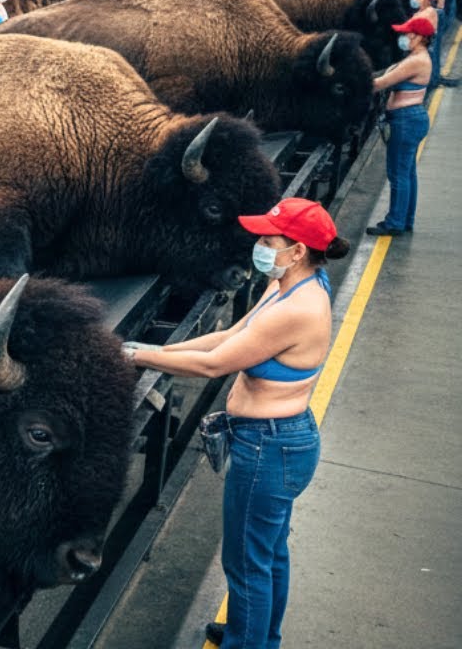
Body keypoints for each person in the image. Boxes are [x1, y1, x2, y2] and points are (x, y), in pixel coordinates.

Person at [126, 197, 349, 649]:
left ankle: (246, 643)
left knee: (247, 564)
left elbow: (214, 365)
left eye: (269, 240)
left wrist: (136, 357)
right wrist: (158, 352)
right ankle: (259, 637)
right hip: (279, 443)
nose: (260, 247)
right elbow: (230, 336)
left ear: (298, 251)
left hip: (270, 448)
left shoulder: (296, 310)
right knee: (268, 554)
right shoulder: (288, 284)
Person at [367, 17, 435, 236]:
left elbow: (380, 83)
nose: (404, 37)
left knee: (398, 174)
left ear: (420, 37)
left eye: (408, 34)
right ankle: (406, 220)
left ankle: (394, 223)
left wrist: (355, 81)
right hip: (410, 119)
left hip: (406, 120)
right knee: (407, 173)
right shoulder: (415, 58)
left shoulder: (416, 61)